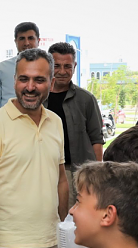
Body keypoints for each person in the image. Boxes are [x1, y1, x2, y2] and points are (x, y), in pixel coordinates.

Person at [0, 48, 68, 248]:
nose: (30, 87)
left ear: (52, 83)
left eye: (39, 80)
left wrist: (63, 232)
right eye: (23, 79)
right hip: (9, 247)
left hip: (52, 241)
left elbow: (61, 180)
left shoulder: (55, 122)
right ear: (14, 81)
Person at [43, 42, 104, 209]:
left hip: (76, 173)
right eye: (57, 66)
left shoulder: (86, 99)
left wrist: (97, 174)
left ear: (75, 66)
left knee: (73, 221)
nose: (62, 71)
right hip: (45, 171)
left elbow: (96, 140)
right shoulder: (39, 100)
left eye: (67, 66)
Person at [0, 22, 40, 116]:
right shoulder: (3, 68)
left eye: (30, 38)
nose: (26, 43)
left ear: (38, 40)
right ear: (16, 41)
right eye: (22, 38)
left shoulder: (48, 68)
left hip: (38, 125)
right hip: (7, 125)